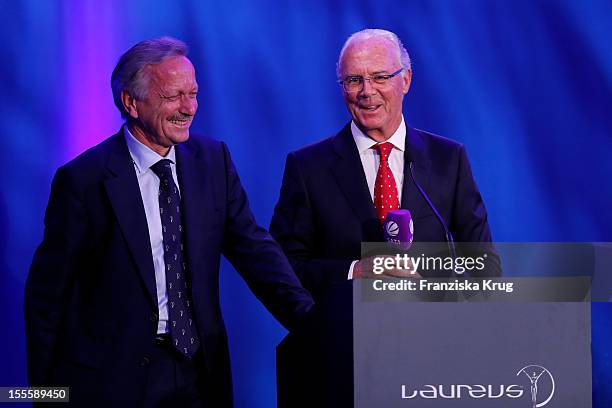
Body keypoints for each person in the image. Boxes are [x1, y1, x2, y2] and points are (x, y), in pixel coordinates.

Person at [24, 37, 313, 407]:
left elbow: (256, 253)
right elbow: (47, 298)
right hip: (114, 381)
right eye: (173, 96)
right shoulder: (83, 181)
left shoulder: (213, 161)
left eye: (193, 94)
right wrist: (44, 397)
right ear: (131, 102)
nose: (188, 108)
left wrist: (312, 323)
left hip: (200, 372)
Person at [270, 29, 500, 301]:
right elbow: (282, 269)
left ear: (405, 80)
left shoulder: (447, 159)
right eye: (354, 80)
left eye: (380, 77)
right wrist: (354, 271)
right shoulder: (308, 168)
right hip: (347, 337)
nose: (367, 92)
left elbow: (483, 265)